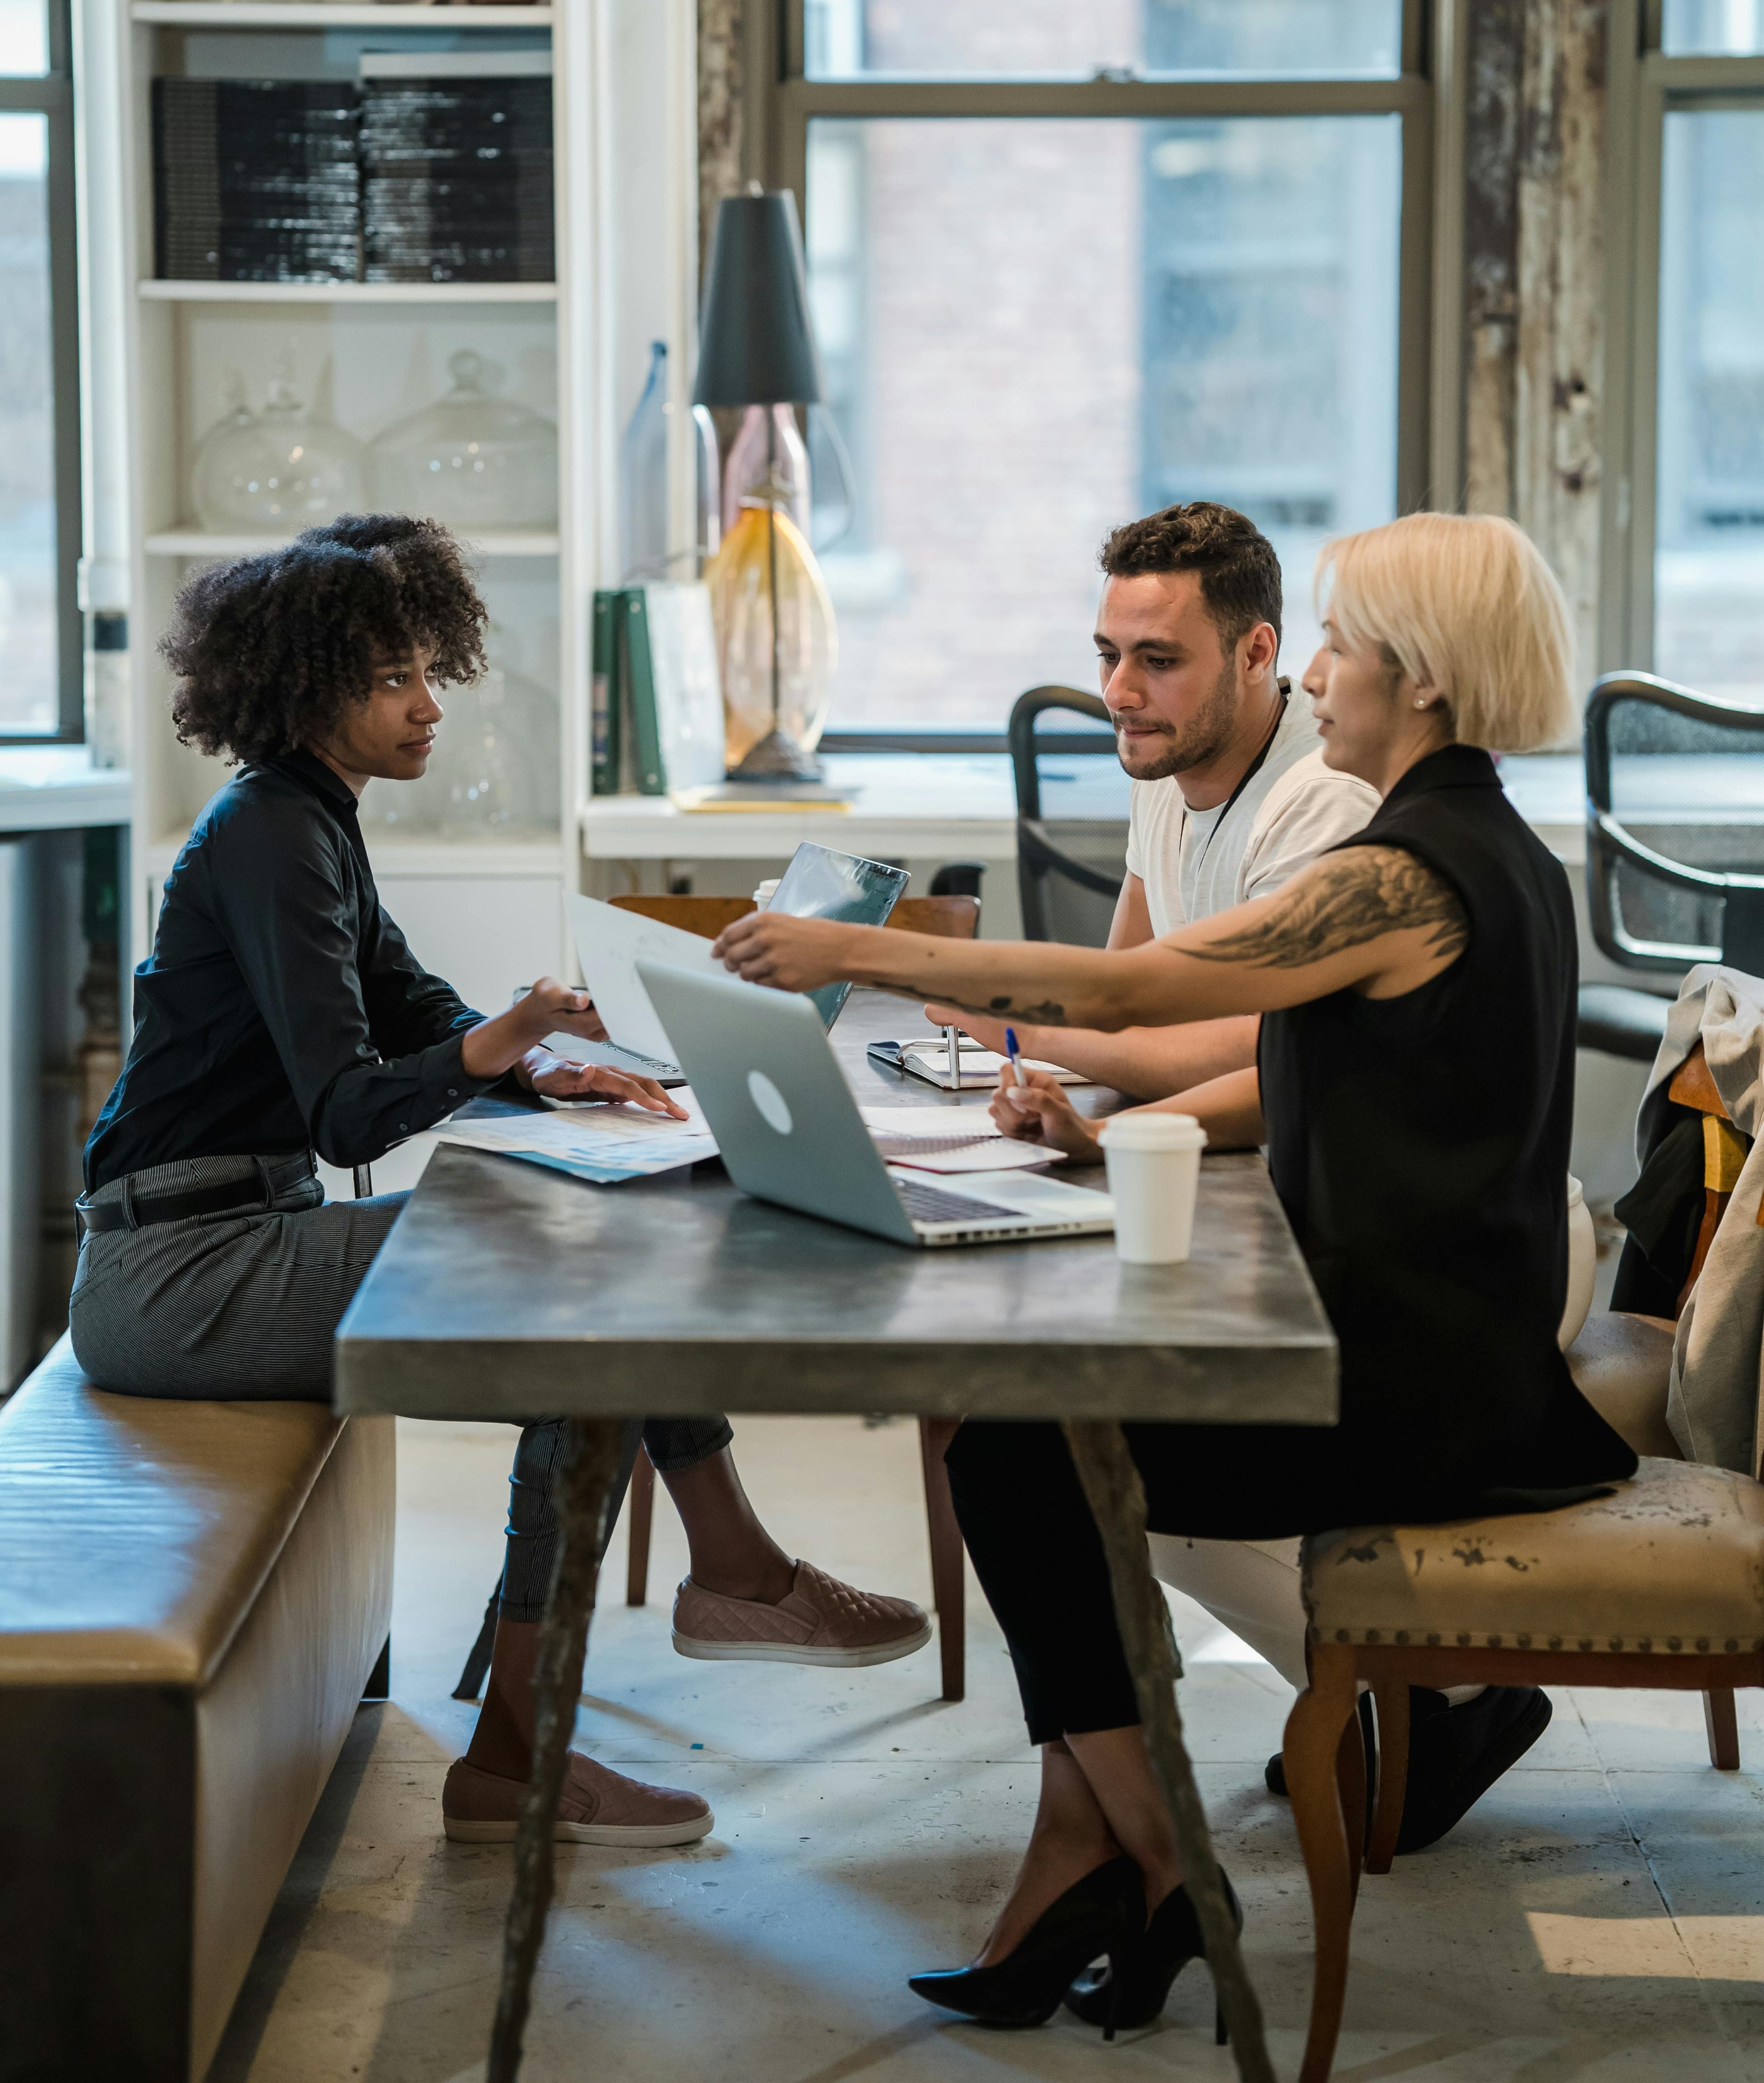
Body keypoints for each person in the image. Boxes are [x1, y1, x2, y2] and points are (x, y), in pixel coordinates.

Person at [713, 513, 1637, 2031]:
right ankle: (1092, 1854)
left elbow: (1146, 986)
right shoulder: (1483, 843)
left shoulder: (1407, 875)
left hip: (1413, 1383)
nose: (1320, 671)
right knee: (1022, 1443)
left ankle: (1156, 1861)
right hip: (1421, 1343)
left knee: (1023, 1456)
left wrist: (864, 955)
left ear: (1418, 675)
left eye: (1340, 644)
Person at [70, 516, 928, 1851]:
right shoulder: (268, 837)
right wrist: (508, 1038)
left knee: (612, 1246)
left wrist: (544, 1072)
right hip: (180, 1275)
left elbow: (410, 1004)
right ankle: (562, 1719)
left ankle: (716, 1588)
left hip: (229, 1234)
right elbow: (350, 1107)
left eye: (431, 671)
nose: (429, 707)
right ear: (309, 688)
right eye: (392, 680)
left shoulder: (310, 822)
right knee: (585, 1302)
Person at [923, 500, 1379, 1117]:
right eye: (1110, 654)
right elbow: (1120, 1001)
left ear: (1255, 655)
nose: (1117, 693)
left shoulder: (1322, 800)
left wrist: (1028, 1033)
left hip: (1301, 1179)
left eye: (1159, 661)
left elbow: (1267, 1055)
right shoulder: (1166, 759)